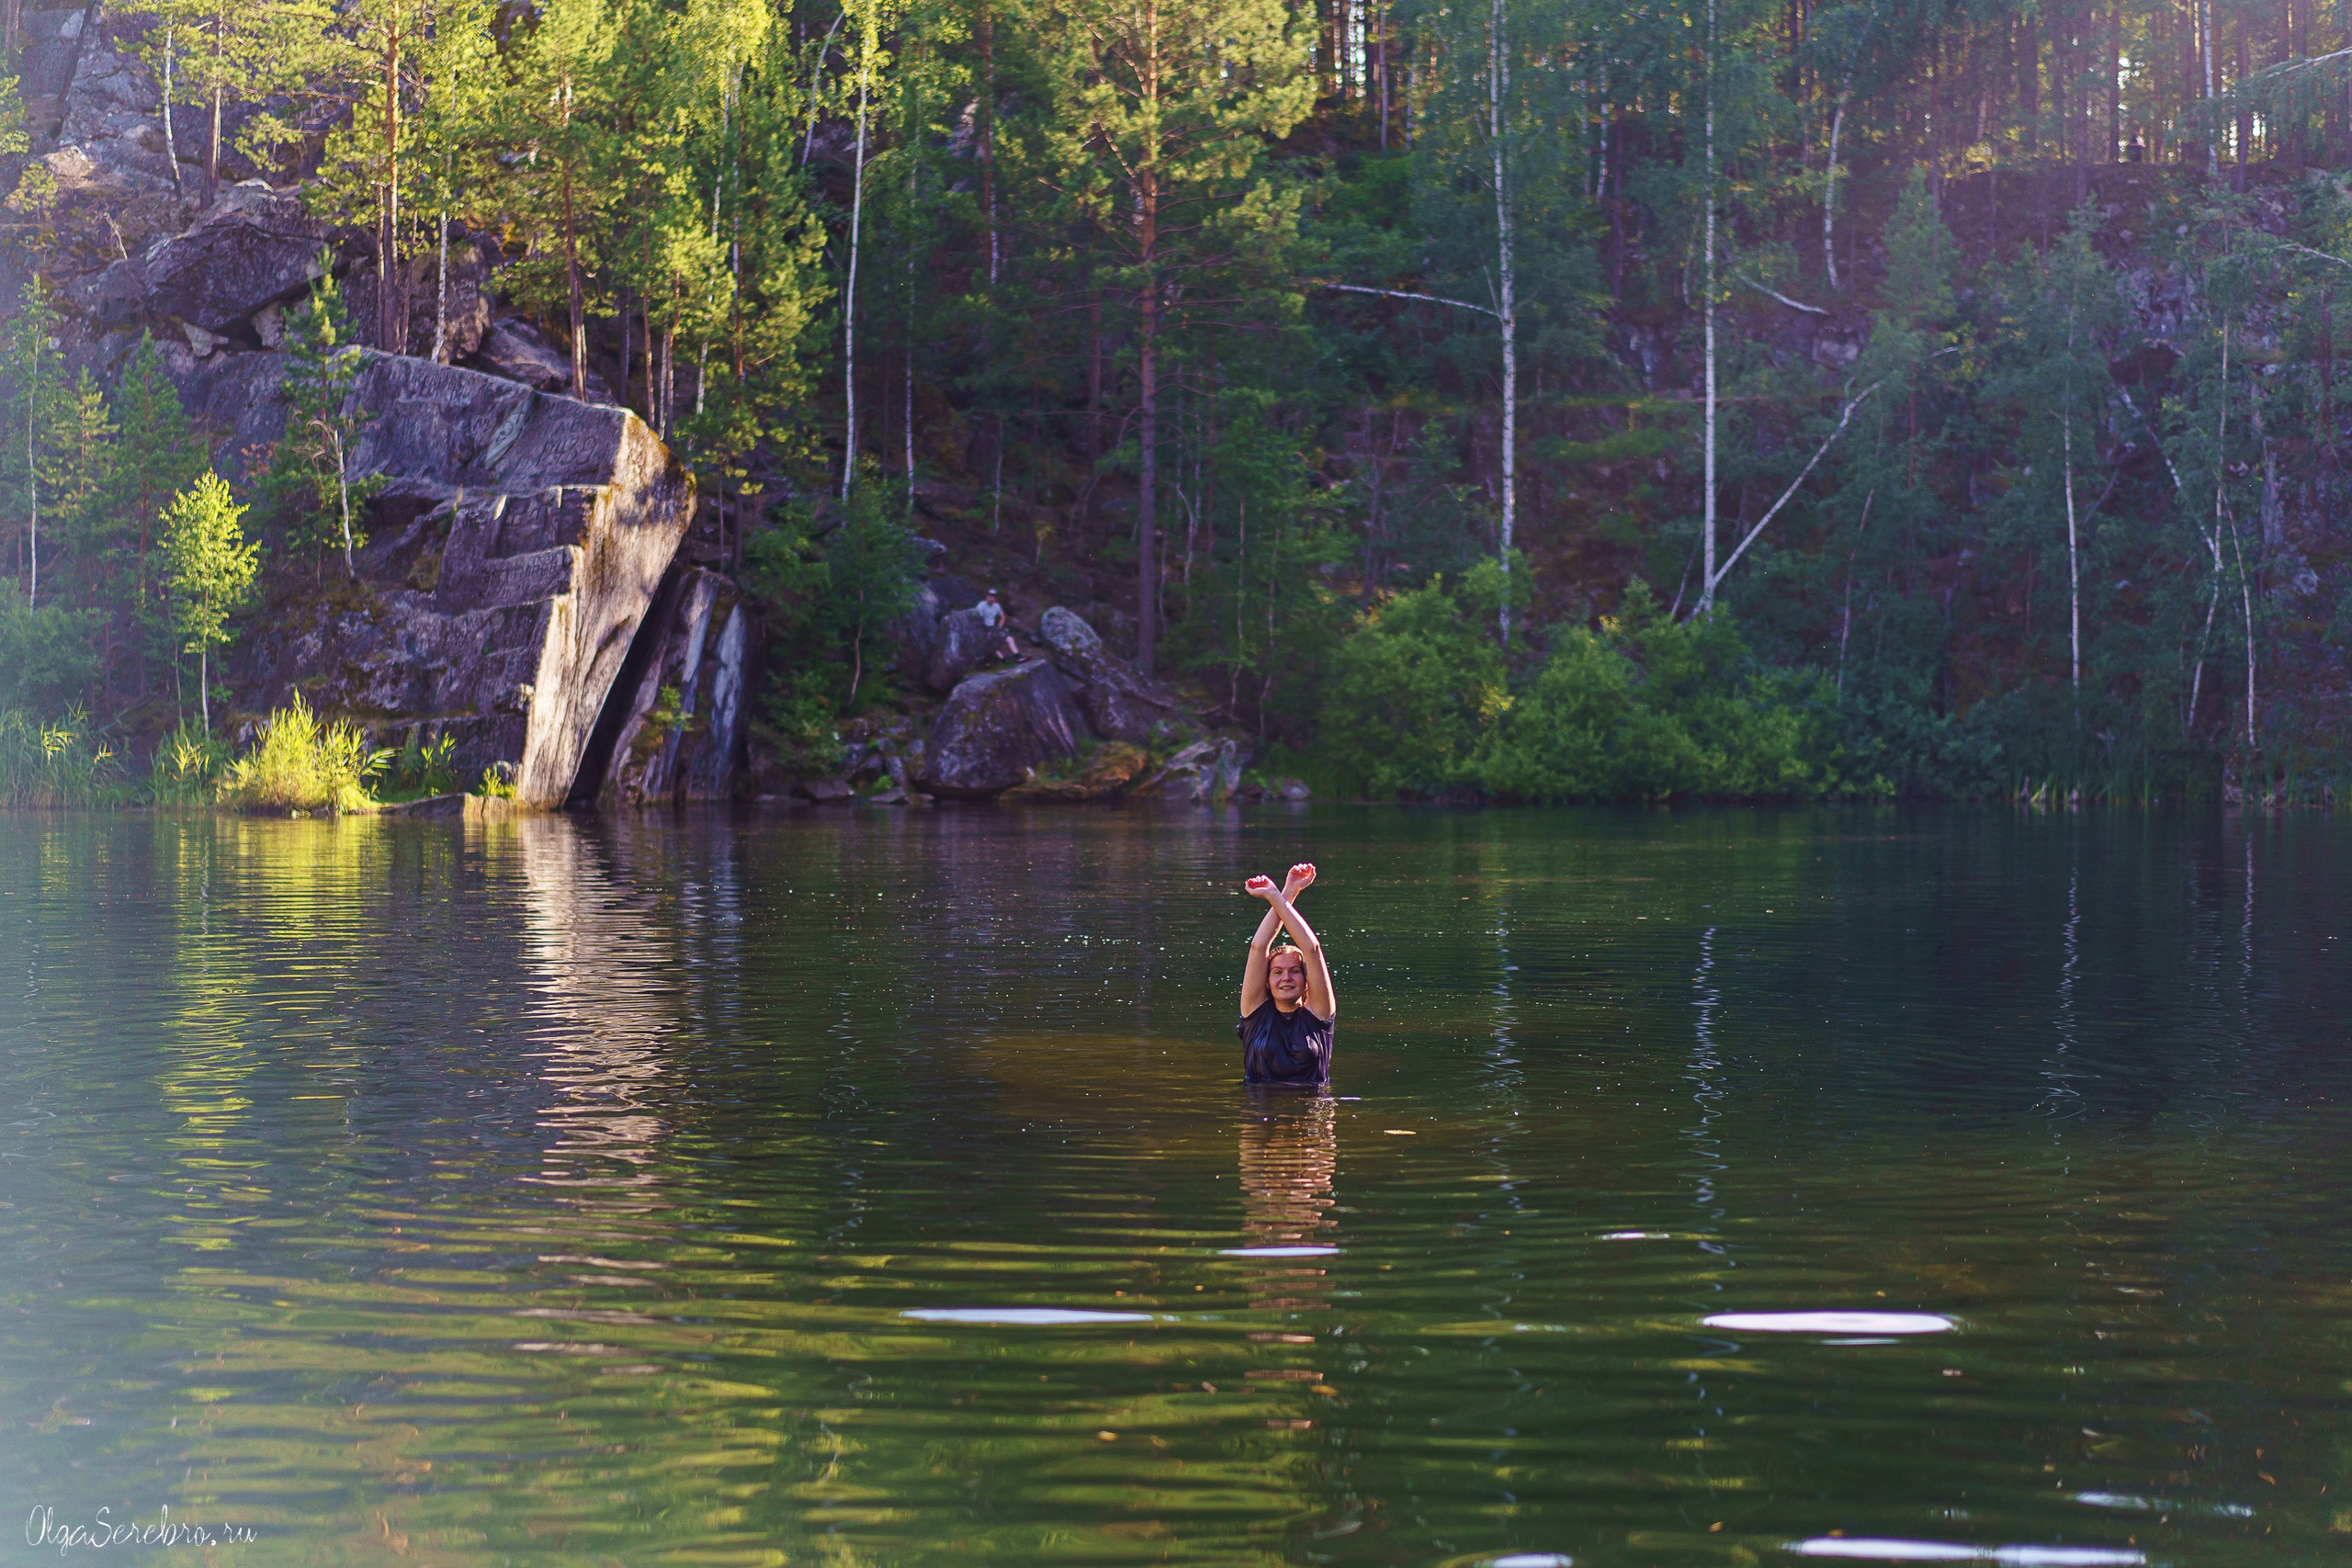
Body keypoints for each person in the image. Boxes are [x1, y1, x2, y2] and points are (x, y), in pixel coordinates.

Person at [1236, 863, 1337, 1087]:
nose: (1286, 978)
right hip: (1259, 1106)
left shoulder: (1319, 1015)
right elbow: (1258, 948)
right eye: (1277, 972)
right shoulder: (1255, 1014)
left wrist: (1277, 895)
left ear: (1306, 981)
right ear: (1267, 982)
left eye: (1294, 971)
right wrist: (1286, 892)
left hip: (1311, 1106)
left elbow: (1312, 949)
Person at [975, 589, 1020, 663]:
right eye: (990, 596)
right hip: (984, 628)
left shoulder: (996, 606)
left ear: (995, 598)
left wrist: (999, 626)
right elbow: (978, 619)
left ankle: (1017, 655)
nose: (991, 598)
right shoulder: (981, 606)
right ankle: (1003, 660)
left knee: (1009, 638)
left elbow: (1003, 616)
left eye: (993, 597)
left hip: (993, 627)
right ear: (987, 597)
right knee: (993, 643)